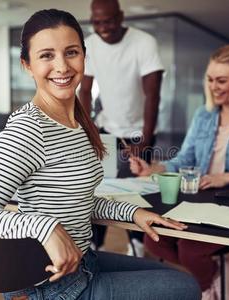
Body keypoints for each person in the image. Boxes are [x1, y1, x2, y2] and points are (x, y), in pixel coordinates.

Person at [0, 9, 200, 300]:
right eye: (46, 55)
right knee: (185, 288)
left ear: (84, 56)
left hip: (83, 262)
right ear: (27, 65)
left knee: (175, 277)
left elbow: (77, 200)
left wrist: (132, 212)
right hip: (52, 286)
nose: (62, 66)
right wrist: (45, 227)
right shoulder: (28, 128)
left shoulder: (79, 123)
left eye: (71, 52)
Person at [130, 45, 229, 299]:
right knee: (153, 240)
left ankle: (205, 286)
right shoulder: (203, 114)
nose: (214, 86)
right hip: (198, 200)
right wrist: (153, 168)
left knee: (190, 250)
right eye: (210, 79)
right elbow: (184, 159)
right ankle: (212, 273)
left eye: (222, 81)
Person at [79, 0, 164, 255]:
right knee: (99, 187)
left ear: (121, 17)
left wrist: (145, 142)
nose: (103, 27)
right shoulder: (91, 44)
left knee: (136, 191)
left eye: (108, 21)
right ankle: (95, 245)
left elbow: (153, 95)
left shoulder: (144, 42)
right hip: (106, 130)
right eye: (97, 22)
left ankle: (137, 245)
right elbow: (84, 90)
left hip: (140, 131)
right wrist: (89, 129)